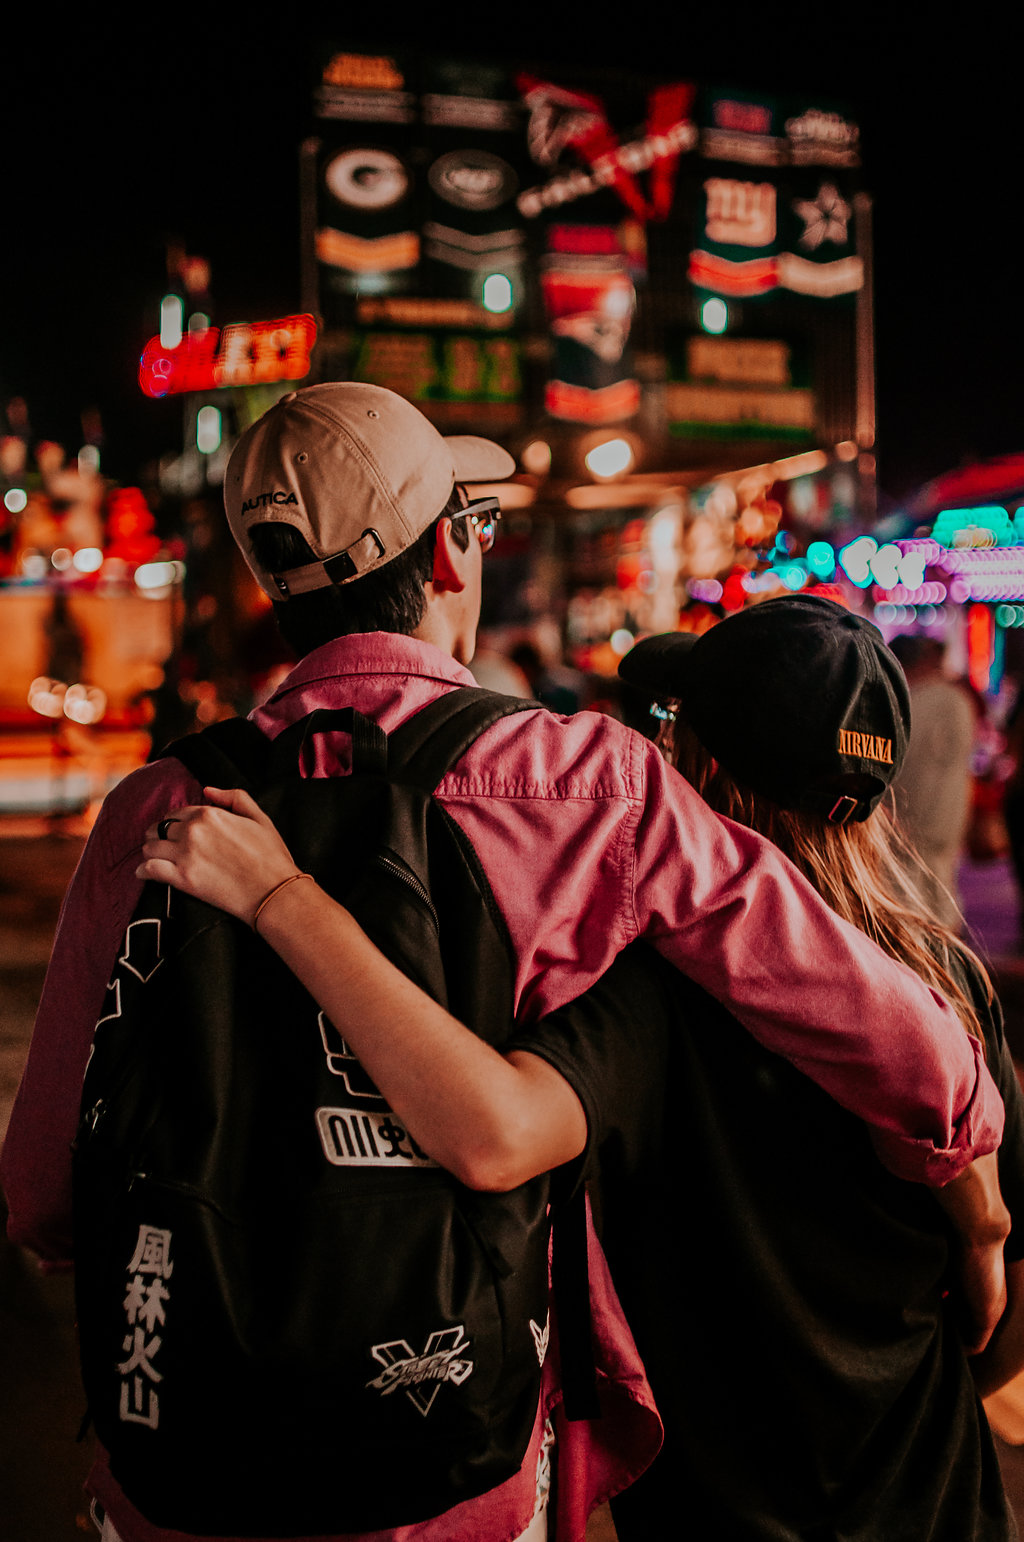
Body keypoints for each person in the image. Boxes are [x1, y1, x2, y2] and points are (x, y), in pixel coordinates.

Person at [0, 386, 1008, 1538]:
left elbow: (40, 1194)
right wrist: (977, 1212)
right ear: (447, 553)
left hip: (184, 1458)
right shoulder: (587, 782)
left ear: (273, 586)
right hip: (450, 1454)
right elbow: (904, 1048)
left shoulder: (155, 809)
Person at [141, 597, 1024, 1541]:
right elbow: (1001, 1326)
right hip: (940, 1499)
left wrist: (284, 900)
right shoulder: (944, 983)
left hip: (718, 1516)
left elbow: (494, 1135)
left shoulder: (653, 994)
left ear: (703, 768)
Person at [889, 632, 977, 927]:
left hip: (912, 816)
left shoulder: (915, 702)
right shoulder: (953, 699)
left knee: (913, 893)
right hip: (943, 816)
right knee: (937, 891)